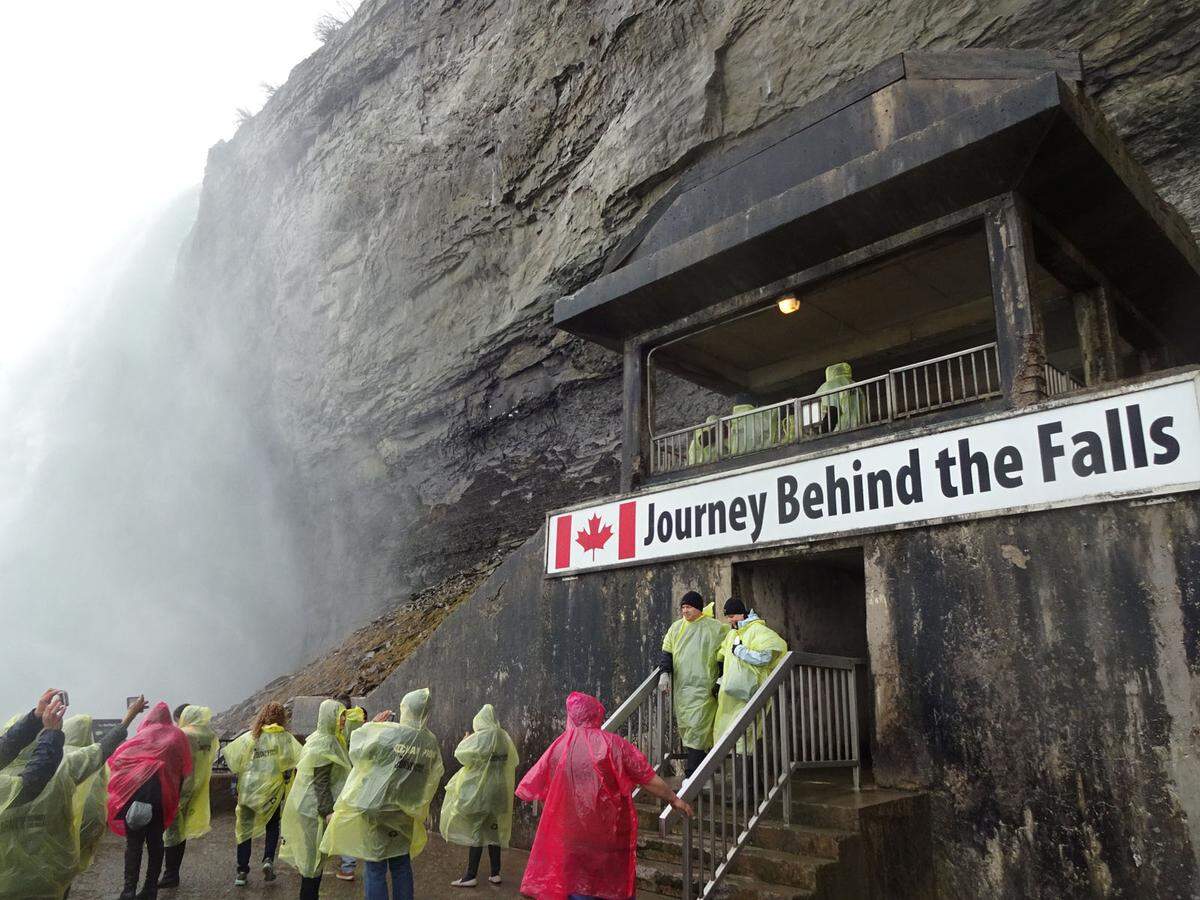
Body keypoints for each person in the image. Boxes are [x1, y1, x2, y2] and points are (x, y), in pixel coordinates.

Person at [516, 692, 692, 900]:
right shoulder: (615, 745)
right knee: (610, 886)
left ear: (573, 716)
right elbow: (647, 777)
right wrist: (674, 798)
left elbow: (535, 783)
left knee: (576, 884)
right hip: (609, 833)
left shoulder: (559, 747)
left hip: (571, 835)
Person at [0, 693, 145, 900]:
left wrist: (34, 718)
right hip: (50, 876)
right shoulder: (65, 766)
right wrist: (129, 717)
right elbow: (101, 750)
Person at [320, 689, 443, 900]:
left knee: (375, 867)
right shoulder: (430, 742)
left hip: (377, 809)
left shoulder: (390, 733)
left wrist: (373, 725)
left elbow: (358, 750)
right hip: (405, 811)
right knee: (401, 864)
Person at [106, 700, 193, 900]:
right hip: (162, 798)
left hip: (135, 797)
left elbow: (119, 759)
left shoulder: (142, 736)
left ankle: (128, 890)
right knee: (156, 844)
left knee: (134, 844)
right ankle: (150, 889)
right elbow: (184, 768)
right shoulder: (177, 736)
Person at [222, 701, 302, 887]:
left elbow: (235, 763)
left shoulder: (250, 737)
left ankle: (242, 871)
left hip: (248, 792)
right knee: (272, 825)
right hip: (272, 793)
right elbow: (294, 762)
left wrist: (235, 787)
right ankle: (268, 860)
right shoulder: (285, 738)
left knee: (244, 830)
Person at [279, 699, 352, 900]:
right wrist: (327, 811)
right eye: (340, 715)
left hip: (309, 807)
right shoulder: (325, 743)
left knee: (314, 862)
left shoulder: (322, 738)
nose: (343, 719)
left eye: (344, 715)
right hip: (313, 810)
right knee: (313, 863)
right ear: (329, 717)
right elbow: (320, 782)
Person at [441, 704, 519, 888]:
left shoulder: (481, 738)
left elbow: (461, 755)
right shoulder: (503, 737)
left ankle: (470, 875)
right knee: (493, 831)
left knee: (476, 831)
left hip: (480, 792)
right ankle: (495, 873)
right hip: (499, 791)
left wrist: (466, 740)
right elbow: (513, 760)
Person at [659, 590, 726, 778]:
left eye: (688, 607)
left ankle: (692, 776)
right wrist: (665, 672)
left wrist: (721, 679)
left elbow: (723, 655)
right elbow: (667, 652)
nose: (685, 611)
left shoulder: (714, 628)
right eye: (682, 607)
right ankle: (703, 775)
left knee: (698, 730)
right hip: (682, 690)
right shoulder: (676, 628)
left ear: (698, 608)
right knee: (689, 730)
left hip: (705, 688)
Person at [713, 598, 788, 750]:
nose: (730, 620)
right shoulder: (733, 635)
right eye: (728, 616)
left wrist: (741, 651)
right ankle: (738, 771)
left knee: (744, 732)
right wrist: (719, 681)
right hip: (731, 694)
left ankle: (742, 771)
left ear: (741, 614)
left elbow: (765, 657)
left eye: (732, 616)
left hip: (751, 691)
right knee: (731, 733)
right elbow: (725, 659)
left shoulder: (759, 631)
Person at [159, 705, 218, 889]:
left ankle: (170, 875)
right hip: (196, 786)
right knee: (180, 832)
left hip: (178, 786)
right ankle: (173, 872)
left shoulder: (183, 734)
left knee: (171, 832)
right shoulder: (209, 735)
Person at [62, 715, 108, 879]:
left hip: (64, 822)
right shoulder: (93, 755)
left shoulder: (57, 755)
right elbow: (102, 791)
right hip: (90, 822)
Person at [336, 703, 367, 882]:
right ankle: (347, 866)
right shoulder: (362, 725)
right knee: (351, 823)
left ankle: (346, 867)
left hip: (341, 782)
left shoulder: (340, 729)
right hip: (360, 781)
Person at [816, 361, 863, 433]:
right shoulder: (854, 385)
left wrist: (823, 433)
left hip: (839, 430)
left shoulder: (829, 386)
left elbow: (833, 410)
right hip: (858, 427)